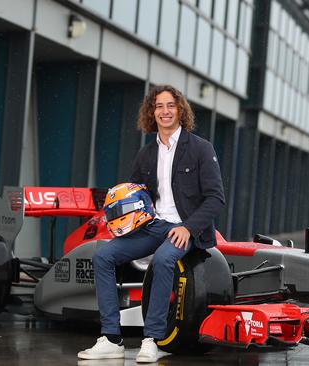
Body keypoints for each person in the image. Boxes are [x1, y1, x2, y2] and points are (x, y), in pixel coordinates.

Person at [78, 85, 225, 362]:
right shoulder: (146, 154)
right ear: (152, 112)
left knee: (162, 261)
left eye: (170, 105)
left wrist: (188, 228)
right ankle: (111, 337)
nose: (165, 111)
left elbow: (216, 198)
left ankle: (151, 339)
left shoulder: (201, 149)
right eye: (159, 106)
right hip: (152, 226)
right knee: (104, 257)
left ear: (180, 110)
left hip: (186, 228)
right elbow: (137, 195)